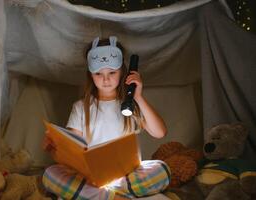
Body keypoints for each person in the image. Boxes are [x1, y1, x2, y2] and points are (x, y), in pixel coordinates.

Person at [42, 36, 170, 200]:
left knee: (161, 169)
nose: (106, 79)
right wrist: (54, 148)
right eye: (98, 74)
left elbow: (160, 132)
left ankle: (96, 196)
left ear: (123, 72)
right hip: (91, 178)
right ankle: (113, 197)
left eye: (112, 72)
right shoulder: (81, 108)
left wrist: (138, 96)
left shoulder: (130, 106)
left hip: (126, 176)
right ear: (91, 75)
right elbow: (73, 151)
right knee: (51, 173)